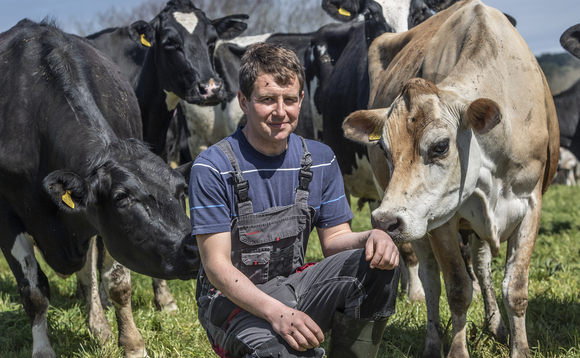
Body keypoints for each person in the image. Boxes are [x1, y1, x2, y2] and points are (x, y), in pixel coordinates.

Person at [189, 42, 400, 358]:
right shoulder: (212, 167)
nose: (280, 111)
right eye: (267, 100)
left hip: (293, 285)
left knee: (377, 263)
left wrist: (373, 237)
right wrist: (276, 313)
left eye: (289, 100)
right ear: (243, 101)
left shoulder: (321, 159)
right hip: (230, 302)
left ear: (302, 100)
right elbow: (216, 265)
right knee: (281, 353)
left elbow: (336, 240)